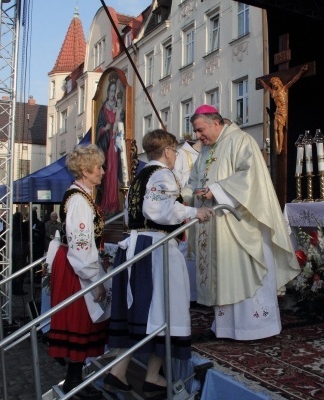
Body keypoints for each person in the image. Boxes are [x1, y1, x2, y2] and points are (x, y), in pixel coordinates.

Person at [105, 129, 214, 396]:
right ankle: (131, 374)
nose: (176, 155)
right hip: (154, 249)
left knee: (154, 313)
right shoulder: (163, 174)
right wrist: (194, 211)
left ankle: (140, 374)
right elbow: (159, 209)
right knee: (162, 310)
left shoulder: (142, 175)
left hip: (139, 245)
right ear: (167, 151)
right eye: (175, 151)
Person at [185, 104, 300, 340]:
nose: (198, 136)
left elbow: (251, 178)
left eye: (200, 130)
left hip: (240, 225)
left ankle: (256, 328)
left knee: (243, 273)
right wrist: (184, 195)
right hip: (214, 224)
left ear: (215, 123)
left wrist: (216, 190)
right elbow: (194, 180)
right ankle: (227, 328)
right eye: (196, 132)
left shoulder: (241, 141)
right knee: (224, 275)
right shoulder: (206, 151)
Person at [48, 144, 109, 400]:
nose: (103, 172)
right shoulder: (78, 200)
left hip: (74, 262)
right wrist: (95, 280)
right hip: (76, 267)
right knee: (80, 318)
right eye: (99, 167)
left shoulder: (80, 196)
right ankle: (73, 382)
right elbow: (81, 243)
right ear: (85, 171)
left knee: (82, 320)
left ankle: (76, 378)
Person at [173, 138, 203, 301]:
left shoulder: (209, 152)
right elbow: (176, 183)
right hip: (189, 208)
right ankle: (190, 294)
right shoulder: (182, 155)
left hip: (205, 209)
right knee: (189, 249)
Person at [258, 64, 308, 154]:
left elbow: (294, 80)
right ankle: (277, 146)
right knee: (275, 129)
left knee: (280, 129)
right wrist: (262, 83)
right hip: (277, 111)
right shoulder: (273, 93)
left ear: (278, 82)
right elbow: (267, 88)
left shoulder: (284, 89)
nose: (274, 84)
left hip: (283, 111)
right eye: (273, 83)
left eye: (275, 82)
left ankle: (280, 147)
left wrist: (301, 71)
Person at [96, 75, 124, 214]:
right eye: (111, 91)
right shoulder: (103, 108)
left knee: (114, 171)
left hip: (116, 143)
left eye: (114, 91)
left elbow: (122, 124)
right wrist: (104, 128)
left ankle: (114, 203)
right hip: (107, 143)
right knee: (108, 171)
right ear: (108, 92)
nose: (112, 94)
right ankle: (106, 203)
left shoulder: (118, 107)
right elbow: (99, 126)